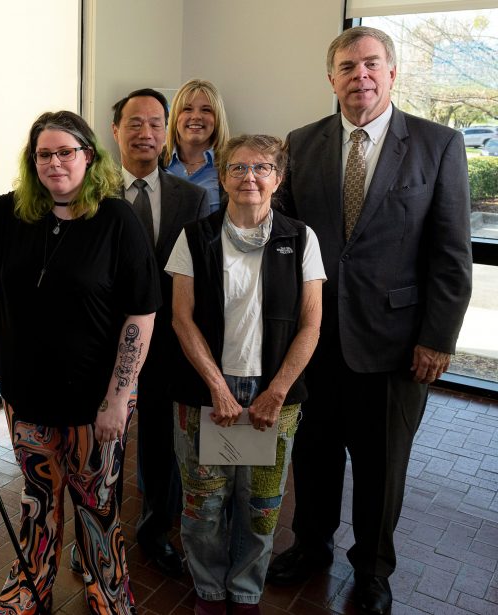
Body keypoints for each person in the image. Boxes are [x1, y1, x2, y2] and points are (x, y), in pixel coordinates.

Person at [267, 27, 472, 615]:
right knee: (315, 452)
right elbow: (284, 240)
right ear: (330, 78)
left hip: (396, 345)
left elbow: (451, 255)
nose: (361, 75)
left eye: (372, 64)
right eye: (347, 66)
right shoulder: (301, 144)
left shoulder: (438, 145)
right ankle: (311, 545)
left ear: (392, 73)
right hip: (314, 340)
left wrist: (437, 338)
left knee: (383, 466)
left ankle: (374, 570)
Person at [0, 110, 159, 614]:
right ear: (32, 161)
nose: (55, 162)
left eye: (66, 151)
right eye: (44, 153)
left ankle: (106, 587)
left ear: (89, 156)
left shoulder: (116, 219)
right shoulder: (11, 216)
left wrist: (119, 399)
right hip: (26, 395)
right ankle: (30, 585)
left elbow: (140, 315)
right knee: (38, 498)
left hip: (93, 401)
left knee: (97, 505)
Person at [166, 134, 325, 615]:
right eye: (237, 168)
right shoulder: (195, 236)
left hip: (271, 396)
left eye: (261, 168)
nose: (248, 177)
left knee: (261, 506)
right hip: (205, 392)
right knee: (203, 505)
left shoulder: (300, 239)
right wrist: (217, 387)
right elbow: (181, 318)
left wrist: (276, 391)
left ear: (278, 178)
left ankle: (246, 590)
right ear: (223, 176)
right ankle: (210, 591)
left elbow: (312, 323)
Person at [82, 87, 209, 578]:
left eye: (156, 123)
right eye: (134, 123)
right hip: (100, 344)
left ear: (168, 132)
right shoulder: (89, 194)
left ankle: (155, 531)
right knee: (97, 446)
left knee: (160, 445)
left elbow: (198, 277)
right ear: (114, 131)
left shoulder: (191, 198)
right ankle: (96, 534)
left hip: (167, 345)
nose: (146, 133)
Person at [163, 79, 230, 211]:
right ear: (175, 117)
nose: (196, 116)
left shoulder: (231, 166)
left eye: (206, 110)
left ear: (217, 119)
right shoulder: (156, 162)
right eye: (187, 109)